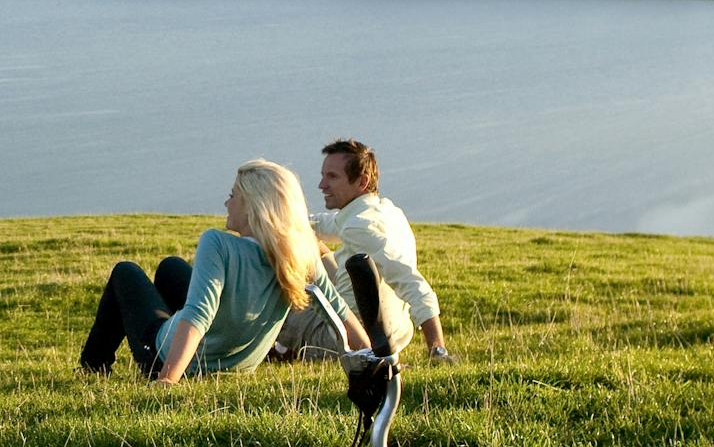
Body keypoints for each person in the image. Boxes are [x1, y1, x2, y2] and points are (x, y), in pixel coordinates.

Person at [79, 159, 370, 382]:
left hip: (176, 359)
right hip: (241, 364)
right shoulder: (299, 253)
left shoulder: (217, 244)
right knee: (171, 268)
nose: (227, 203)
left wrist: (168, 378)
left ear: (252, 207)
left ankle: (93, 367)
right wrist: (375, 358)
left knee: (125, 273)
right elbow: (340, 314)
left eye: (233, 196)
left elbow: (198, 315)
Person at [277, 138, 451, 362]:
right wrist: (280, 223)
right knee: (311, 244)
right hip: (394, 333)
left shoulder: (360, 226)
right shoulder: (385, 210)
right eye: (323, 175)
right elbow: (321, 226)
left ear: (362, 181)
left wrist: (437, 348)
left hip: (350, 340)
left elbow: (410, 281)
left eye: (332, 177)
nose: (321, 185)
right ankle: (283, 349)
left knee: (281, 293)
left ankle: (276, 350)